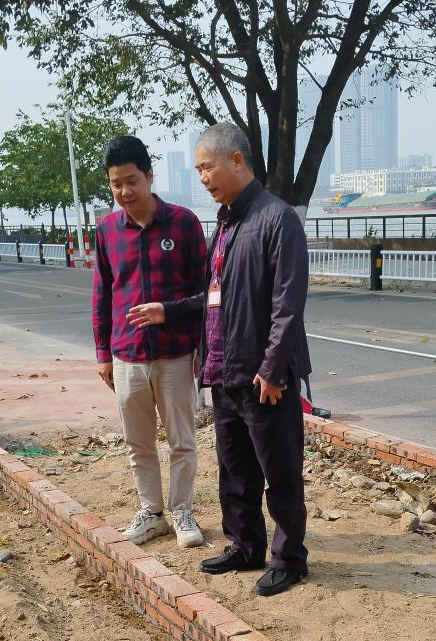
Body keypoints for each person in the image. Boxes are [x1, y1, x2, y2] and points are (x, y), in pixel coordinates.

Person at [162, 123, 312, 596]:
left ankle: (289, 559)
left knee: (280, 473)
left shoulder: (277, 219)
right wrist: (169, 311)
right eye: (198, 170)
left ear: (237, 161)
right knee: (235, 470)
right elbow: (215, 298)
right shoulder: (226, 224)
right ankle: (245, 545)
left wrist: (272, 368)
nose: (203, 178)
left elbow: (288, 304)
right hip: (223, 373)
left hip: (263, 377)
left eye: (207, 167)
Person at [92, 135, 209, 547]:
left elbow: (206, 294)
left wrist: (200, 347)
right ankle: (151, 513)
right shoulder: (107, 230)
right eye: (116, 184)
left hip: (175, 354)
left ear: (149, 176)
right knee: (137, 443)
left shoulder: (183, 223)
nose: (125, 191)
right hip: (127, 356)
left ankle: (181, 511)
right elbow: (102, 296)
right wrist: (103, 354)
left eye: (132, 181)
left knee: (182, 441)